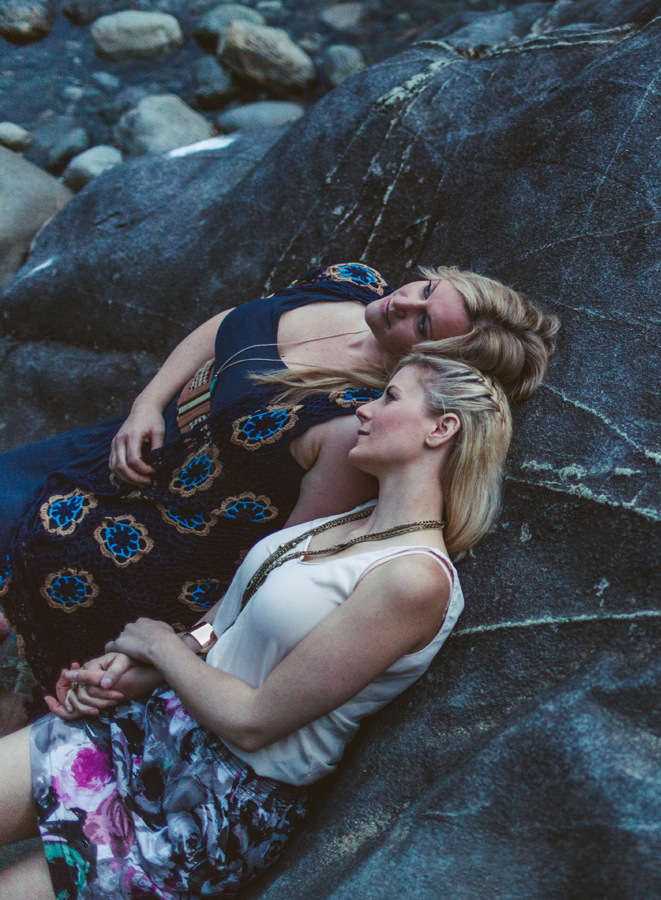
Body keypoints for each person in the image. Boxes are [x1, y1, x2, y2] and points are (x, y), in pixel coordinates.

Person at [0, 354, 510, 899]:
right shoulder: (351, 521)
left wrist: (157, 643)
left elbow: (255, 721)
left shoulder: (415, 580)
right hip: (155, 725)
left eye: (389, 398)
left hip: (212, 800)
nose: (364, 408)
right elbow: (228, 629)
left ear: (442, 427)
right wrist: (139, 670)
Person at [0, 261, 558, 698]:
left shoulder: (354, 420)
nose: (403, 302)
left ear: (435, 358)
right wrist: (147, 404)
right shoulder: (353, 284)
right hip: (130, 443)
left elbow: (279, 555)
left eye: (423, 322)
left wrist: (188, 644)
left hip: (152, 532)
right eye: (427, 288)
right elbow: (229, 324)